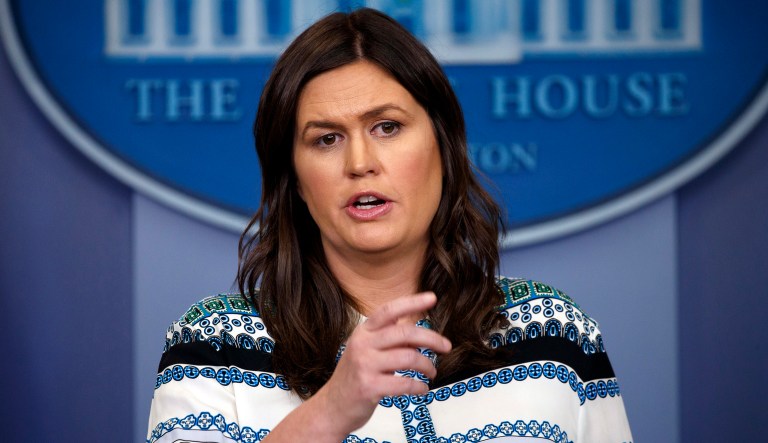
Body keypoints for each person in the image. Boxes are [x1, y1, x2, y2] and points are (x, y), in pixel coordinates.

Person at [147, 8, 633, 443]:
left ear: (444, 148)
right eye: (327, 139)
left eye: (387, 127)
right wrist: (328, 414)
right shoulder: (211, 344)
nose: (360, 162)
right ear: (294, 180)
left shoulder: (553, 333)